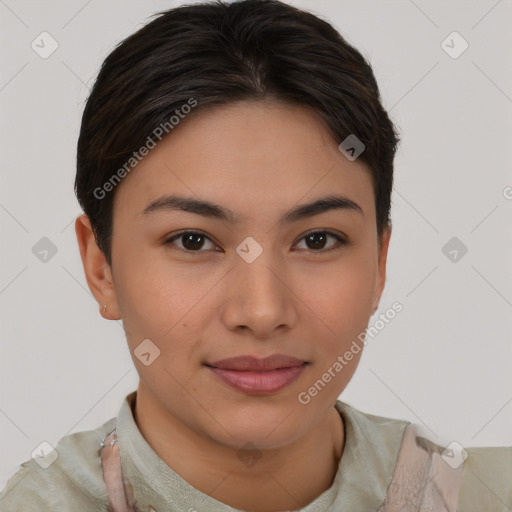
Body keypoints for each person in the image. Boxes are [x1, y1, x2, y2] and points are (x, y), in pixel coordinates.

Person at [0, 0, 510, 510]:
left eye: (317, 240)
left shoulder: (479, 495)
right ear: (100, 267)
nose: (262, 312)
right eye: (193, 241)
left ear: (380, 262)